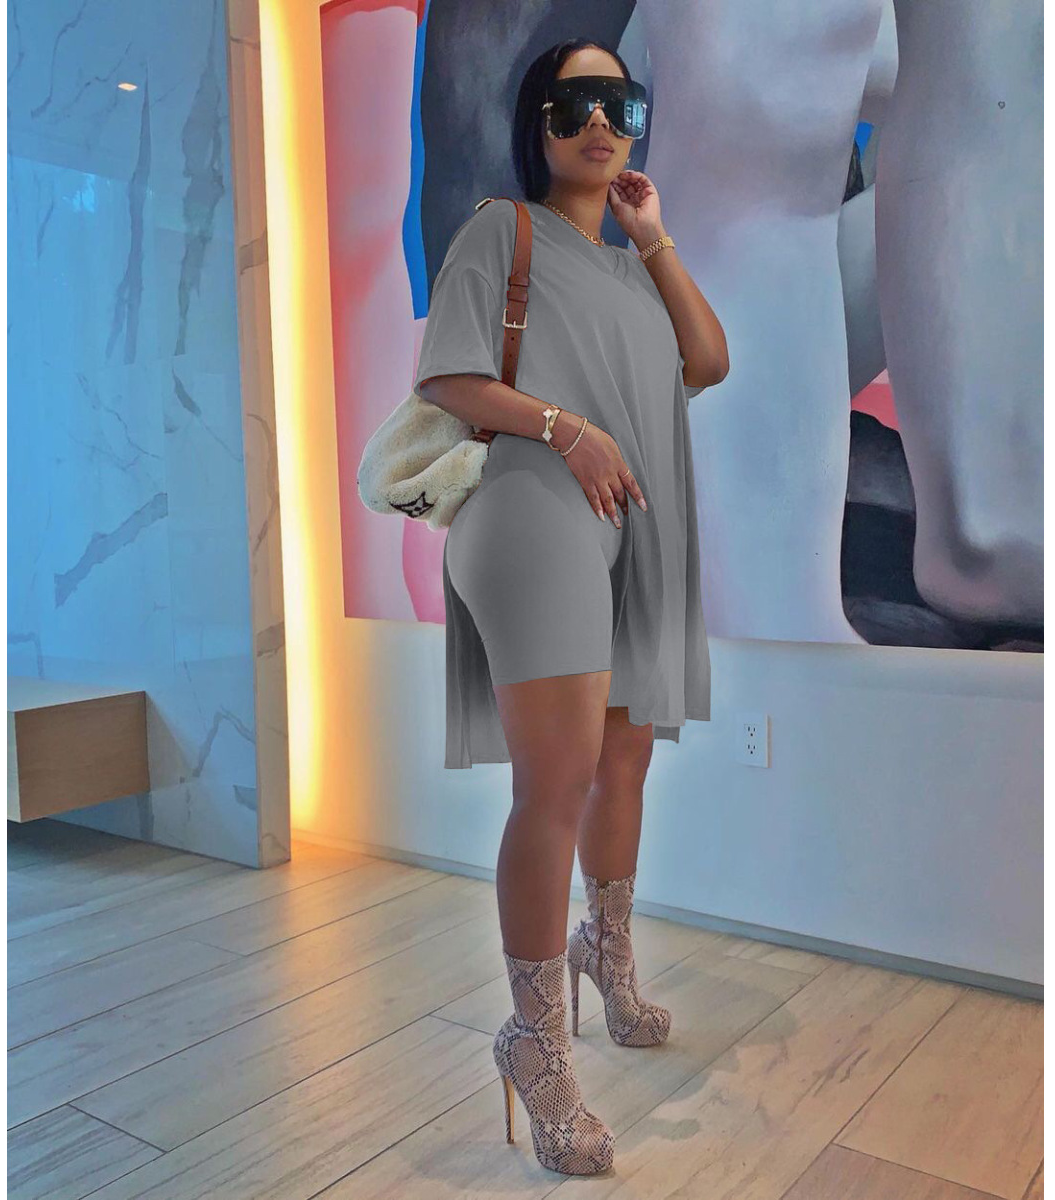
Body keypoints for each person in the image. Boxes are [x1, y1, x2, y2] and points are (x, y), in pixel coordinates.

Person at [413, 39, 728, 1176]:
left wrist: (655, 236)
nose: (600, 121)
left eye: (619, 103)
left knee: (623, 760)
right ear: (537, 120)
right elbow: (448, 377)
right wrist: (567, 427)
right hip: (533, 503)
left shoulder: (636, 265)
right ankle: (536, 1045)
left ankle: (610, 957)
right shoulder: (502, 230)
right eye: (576, 102)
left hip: (634, 520)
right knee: (556, 781)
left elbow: (709, 359)